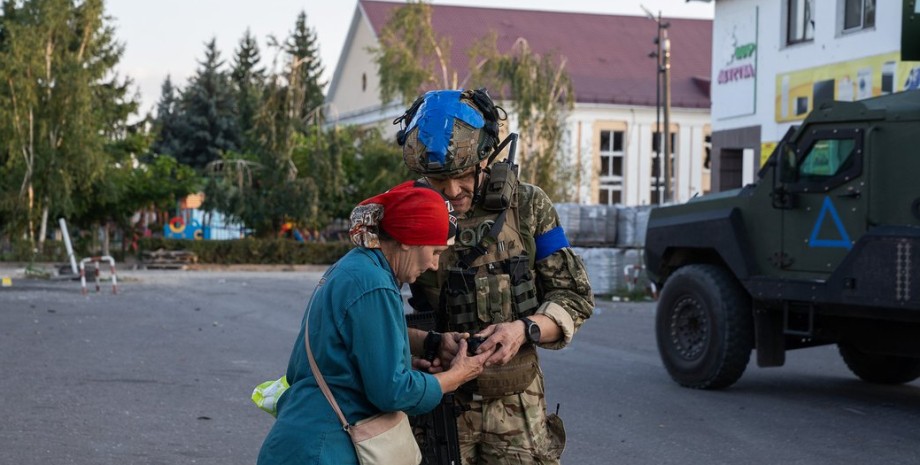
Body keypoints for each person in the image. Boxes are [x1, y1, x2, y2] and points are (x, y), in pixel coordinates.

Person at [395, 88, 595, 464]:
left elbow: (575, 296)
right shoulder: (407, 215)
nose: (452, 191)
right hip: (442, 407)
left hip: (519, 413)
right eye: (438, 181)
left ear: (487, 156)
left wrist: (524, 329)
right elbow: (372, 315)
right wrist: (425, 344)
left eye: (463, 175)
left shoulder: (529, 205)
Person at [257, 181, 494, 465]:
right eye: (435, 252)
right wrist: (457, 376)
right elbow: (393, 392)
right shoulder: (374, 284)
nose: (433, 264)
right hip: (324, 450)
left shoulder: (357, 267)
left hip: (302, 441)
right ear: (408, 239)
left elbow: (355, 342)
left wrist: (427, 344)